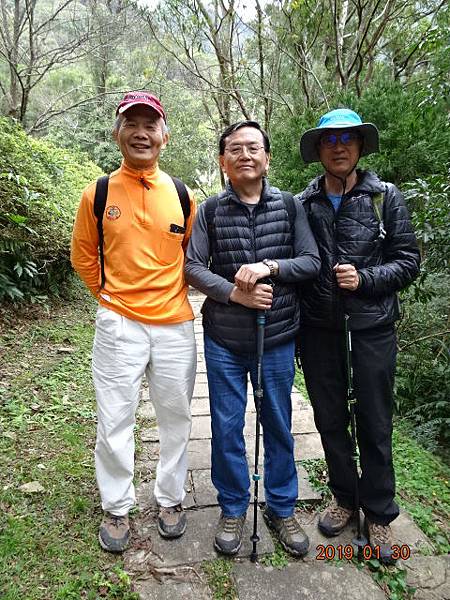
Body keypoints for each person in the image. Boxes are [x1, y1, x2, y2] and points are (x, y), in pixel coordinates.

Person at [185, 120, 320, 557]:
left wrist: (270, 267)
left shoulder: (289, 206)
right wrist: (235, 294)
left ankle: (281, 507)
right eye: (235, 149)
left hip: (277, 338)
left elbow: (310, 261)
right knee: (225, 427)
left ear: (267, 157)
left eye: (253, 148)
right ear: (223, 160)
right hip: (224, 339)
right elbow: (192, 267)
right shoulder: (209, 210)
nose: (245, 155)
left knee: (278, 423)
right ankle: (232, 506)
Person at [71, 91, 197, 553]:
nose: (141, 132)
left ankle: (170, 498)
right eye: (132, 124)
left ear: (165, 134)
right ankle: (117, 506)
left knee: (176, 417)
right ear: (117, 133)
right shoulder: (99, 192)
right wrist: (107, 296)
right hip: (118, 323)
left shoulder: (184, 195)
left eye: (151, 124)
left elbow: (191, 258)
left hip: (175, 325)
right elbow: (83, 255)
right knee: (115, 417)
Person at [296, 108, 420, 564]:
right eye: (330, 140)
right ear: (320, 150)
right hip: (319, 329)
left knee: (374, 417)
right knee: (329, 418)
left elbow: (408, 261)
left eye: (349, 138)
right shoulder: (303, 203)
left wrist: (366, 279)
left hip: (372, 328)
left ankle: (380, 512)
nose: (340, 146)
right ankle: (345, 498)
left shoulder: (385, 198)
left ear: (361, 146)